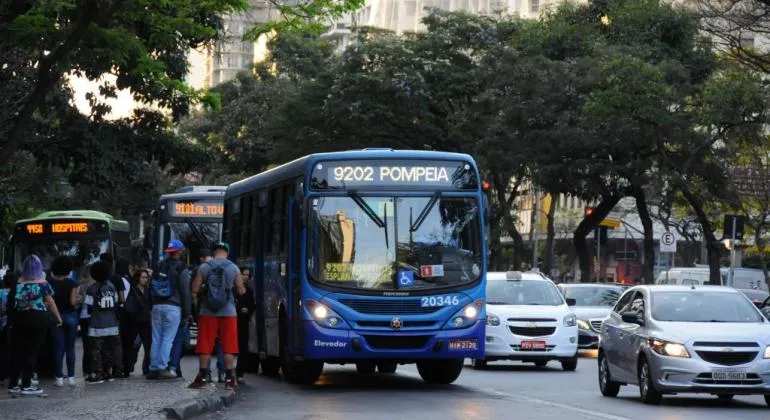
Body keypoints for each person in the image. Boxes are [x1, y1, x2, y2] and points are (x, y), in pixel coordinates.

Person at [189, 242, 245, 390]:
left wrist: (200, 294)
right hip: (228, 312)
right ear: (227, 252)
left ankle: (202, 376)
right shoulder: (233, 268)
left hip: (207, 311)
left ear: (213, 252)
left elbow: (194, 289)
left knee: (205, 345)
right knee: (228, 346)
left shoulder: (204, 267)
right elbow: (240, 290)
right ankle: (229, 378)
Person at [7, 256, 63, 395]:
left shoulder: (17, 282)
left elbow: (10, 303)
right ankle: (27, 384)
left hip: (20, 319)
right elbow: (50, 303)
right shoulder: (43, 284)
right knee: (32, 352)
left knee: (18, 351)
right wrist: (58, 318)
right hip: (38, 320)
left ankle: (13, 383)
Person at [148, 239, 188, 380]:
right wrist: (187, 312)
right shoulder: (181, 268)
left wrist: (150, 306)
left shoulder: (159, 266)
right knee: (167, 339)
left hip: (157, 306)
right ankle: (162, 367)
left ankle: (153, 367)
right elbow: (185, 292)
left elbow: (150, 287)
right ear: (179, 252)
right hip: (173, 307)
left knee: (156, 338)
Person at [83, 261, 120, 383]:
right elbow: (115, 303)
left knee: (96, 351)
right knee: (108, 350)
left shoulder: (91, 289)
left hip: (96, 325)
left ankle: (97, 374)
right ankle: (108, 373)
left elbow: (88, 308)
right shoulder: (112, 287)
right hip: (111, 324)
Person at [48, 257, 79, 386]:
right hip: (70, 316)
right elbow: (73, 302)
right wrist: (79, 299)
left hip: (55, 317)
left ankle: (59, 377)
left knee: (58, 348)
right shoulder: (71, 283)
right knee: (70, 347)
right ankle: (71, 377)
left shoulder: (48, 282)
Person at [122, 269, 152, 377]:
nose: (145, 280)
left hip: (145, 322)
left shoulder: (148, 290)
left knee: (148, 346)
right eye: (143, 277)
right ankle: (127, 368)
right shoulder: (132, 289)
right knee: (132, 345)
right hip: (133, 322)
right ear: (137, 278)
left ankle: (148, 369)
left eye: (146, 277)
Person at [235, 266, 256, 384]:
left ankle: (239, 374)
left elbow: (252, 305)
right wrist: (239, 309)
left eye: (248, 275)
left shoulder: (249, 290)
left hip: (243, 322)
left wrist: (247, 310)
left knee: (243, 348)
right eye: (244, 274)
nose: (246, 277)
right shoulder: (233, 288)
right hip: (232, 321)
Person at [77, 264, 96, 379]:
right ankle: (94, 368)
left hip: (84, 317)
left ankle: (86, 370)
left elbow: (78, 302)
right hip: (94, 317)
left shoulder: (80, 286)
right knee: (95, 344)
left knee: (87, 345)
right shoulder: (96, 286)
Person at [0, 272, 17, 385]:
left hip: (2, 325)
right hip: (12, 325)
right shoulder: (17, 292)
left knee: (2, 351)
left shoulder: (1, 293)